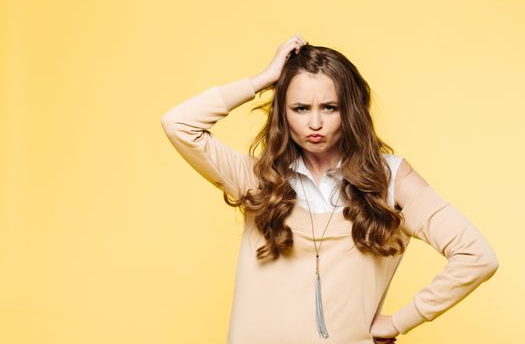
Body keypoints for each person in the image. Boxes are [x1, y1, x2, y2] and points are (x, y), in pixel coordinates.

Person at [160, 35, 499, 344]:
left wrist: (399, 321)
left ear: (349, 111)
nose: (315, 123)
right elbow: (179, 124)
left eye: (329, 108)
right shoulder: (259, 179)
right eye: (301, 108)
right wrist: (263, 80)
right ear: (283, 112)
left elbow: (476, 256)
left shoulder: (391, 180)